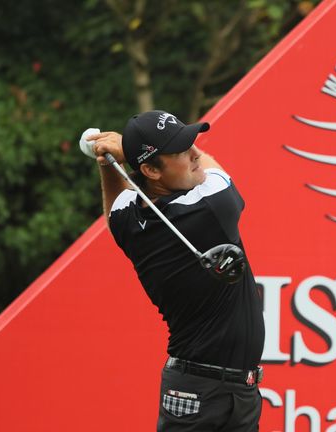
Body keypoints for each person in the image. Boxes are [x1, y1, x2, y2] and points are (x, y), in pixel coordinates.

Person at [88, 110, 265, 432]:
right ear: (150, 170)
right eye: (181, 152)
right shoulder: (211, 207)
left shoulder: (130, 222)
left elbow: (116, 206)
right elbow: (210, 168)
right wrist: (124, 154)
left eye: (192, 145)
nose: (196, 153)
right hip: (198, 391)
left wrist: (107, 164)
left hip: (228, 388)